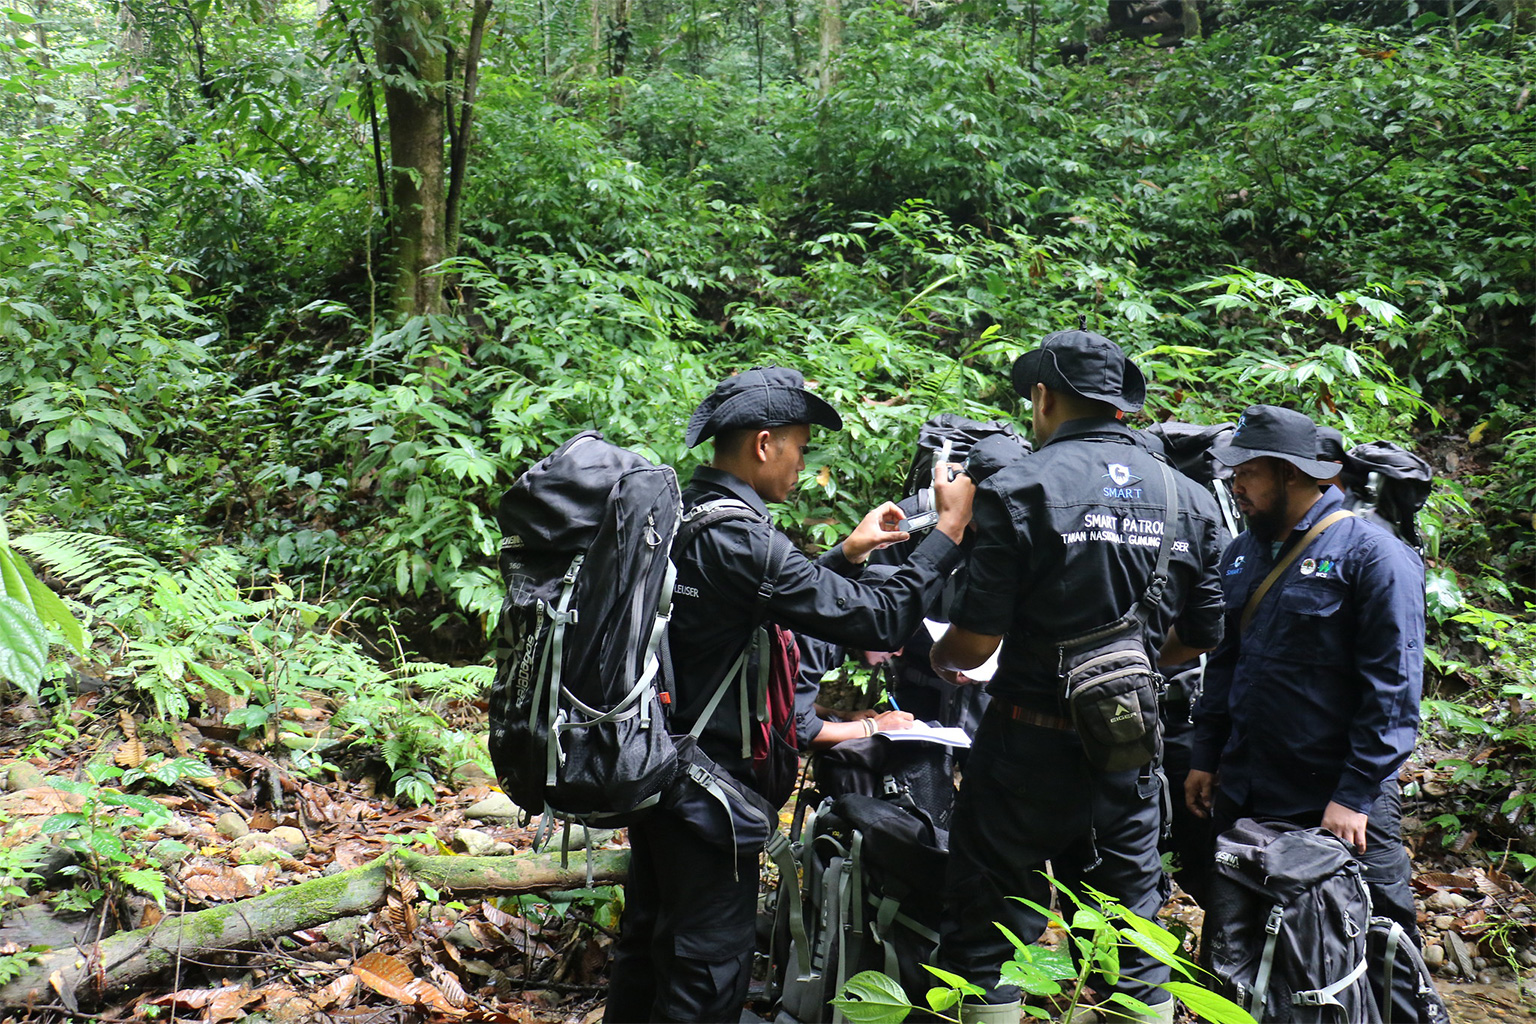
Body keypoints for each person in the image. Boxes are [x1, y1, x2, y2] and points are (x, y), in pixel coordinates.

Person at [605, 366, 976, 1023]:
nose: (803, 463)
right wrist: (946, 533)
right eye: (801, 447)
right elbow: (880, 621)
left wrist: (848, 554)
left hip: (661, 769)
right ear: (764, 444)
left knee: (647, 948)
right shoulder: (742, 537)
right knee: (706, 973)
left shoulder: (689, 515)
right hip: (711, 796)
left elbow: (752, 608)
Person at [929, 329, 1227, 1024]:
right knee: (1136, 930)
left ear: (1042, 397)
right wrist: (1126, 667)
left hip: (1022, 750)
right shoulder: (1192, 500)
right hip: (1128, 745)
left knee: (989, 923)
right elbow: (1203, 636)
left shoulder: (1017, 488)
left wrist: (944, 660)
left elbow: (974, 647)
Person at [1185, 404, 1431, 1023]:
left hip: (1340, 801)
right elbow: (1225, 663)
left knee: (1377, 938)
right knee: (1244, 941)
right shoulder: (1243, 553)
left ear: (1293, 474)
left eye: (1248, 471)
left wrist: (1353, 795)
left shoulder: (1374, 555)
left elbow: (1394, 691)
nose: (1234, 484)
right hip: (1249, 788)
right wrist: (1206, 758)